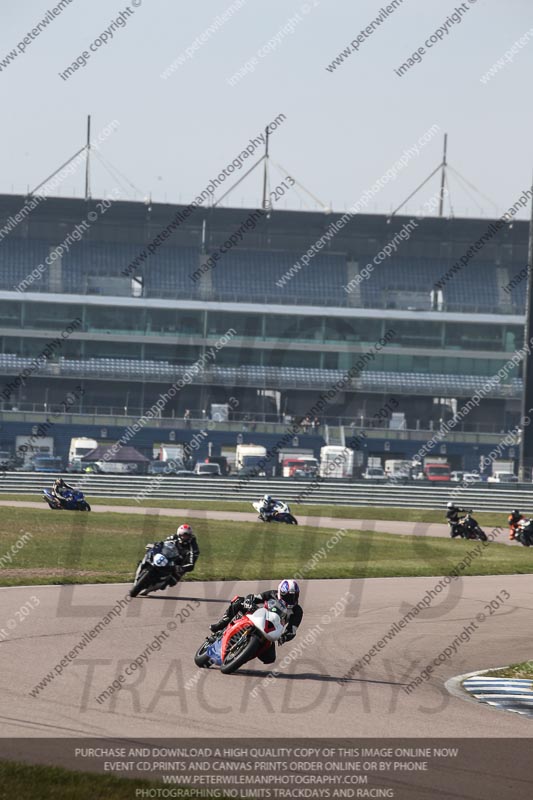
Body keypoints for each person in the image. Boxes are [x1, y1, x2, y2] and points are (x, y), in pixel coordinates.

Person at [209, 579, 303, 664]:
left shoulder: (297, 611)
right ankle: (222, 624)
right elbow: (255, 597)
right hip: (257, 615)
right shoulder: (272, 594)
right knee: (238, 601)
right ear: (281, 593)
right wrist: (249, 601)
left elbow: (292, 630)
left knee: (270, 658)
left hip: (270, 630)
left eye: (294, 596)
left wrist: (284, 637)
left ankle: (242, 655)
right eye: (289, 596)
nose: (292, 599)